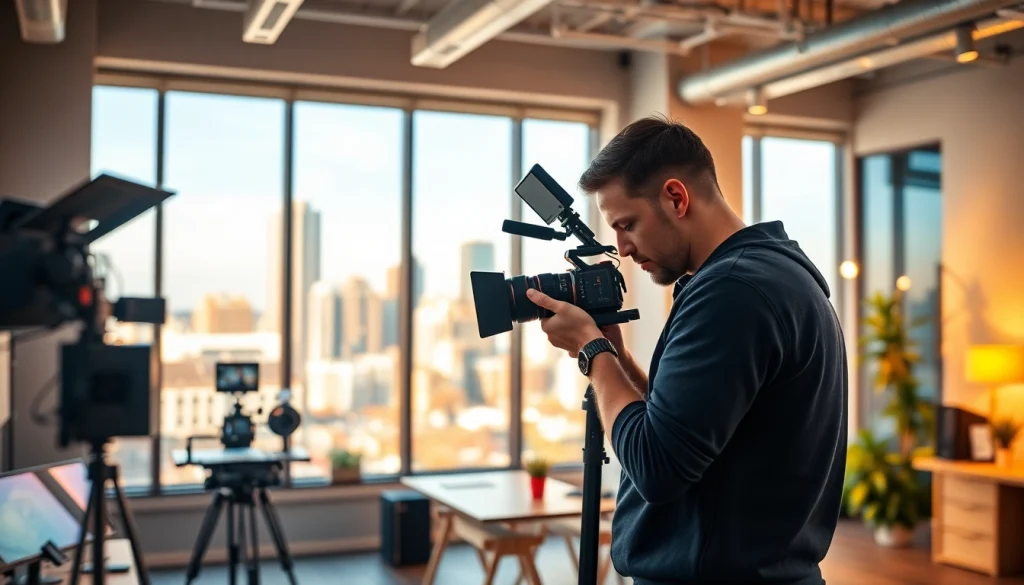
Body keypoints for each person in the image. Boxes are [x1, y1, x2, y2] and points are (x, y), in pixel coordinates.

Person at [525, 116, 848, 585]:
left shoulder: (732, 291)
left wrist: (592, 352)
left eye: (628, 224)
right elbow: (685, 428)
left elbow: (656, 466)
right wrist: (616, 358)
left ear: (676, 198)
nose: (623, 248)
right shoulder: (775, 274)